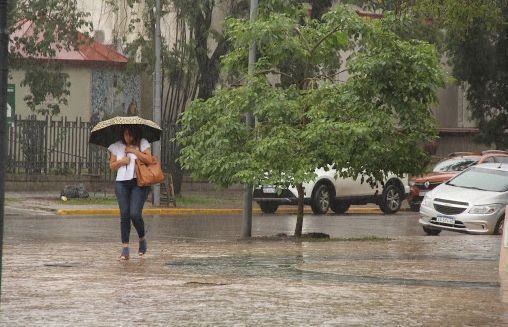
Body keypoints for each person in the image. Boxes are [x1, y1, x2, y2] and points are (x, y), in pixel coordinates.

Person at [108, 125, 152, 260]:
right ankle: (125, 248)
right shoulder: (116, 145)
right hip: (121, 183)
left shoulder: (143, 143)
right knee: (125, 214)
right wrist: (122, 161)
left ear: (135, 134)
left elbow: (149, 160)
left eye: (130, 135)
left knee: (135, 213)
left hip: (139, 183)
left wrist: (134, 151)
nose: (128, 138)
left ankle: (142, 238)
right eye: (126, 134)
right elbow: (112, 166)